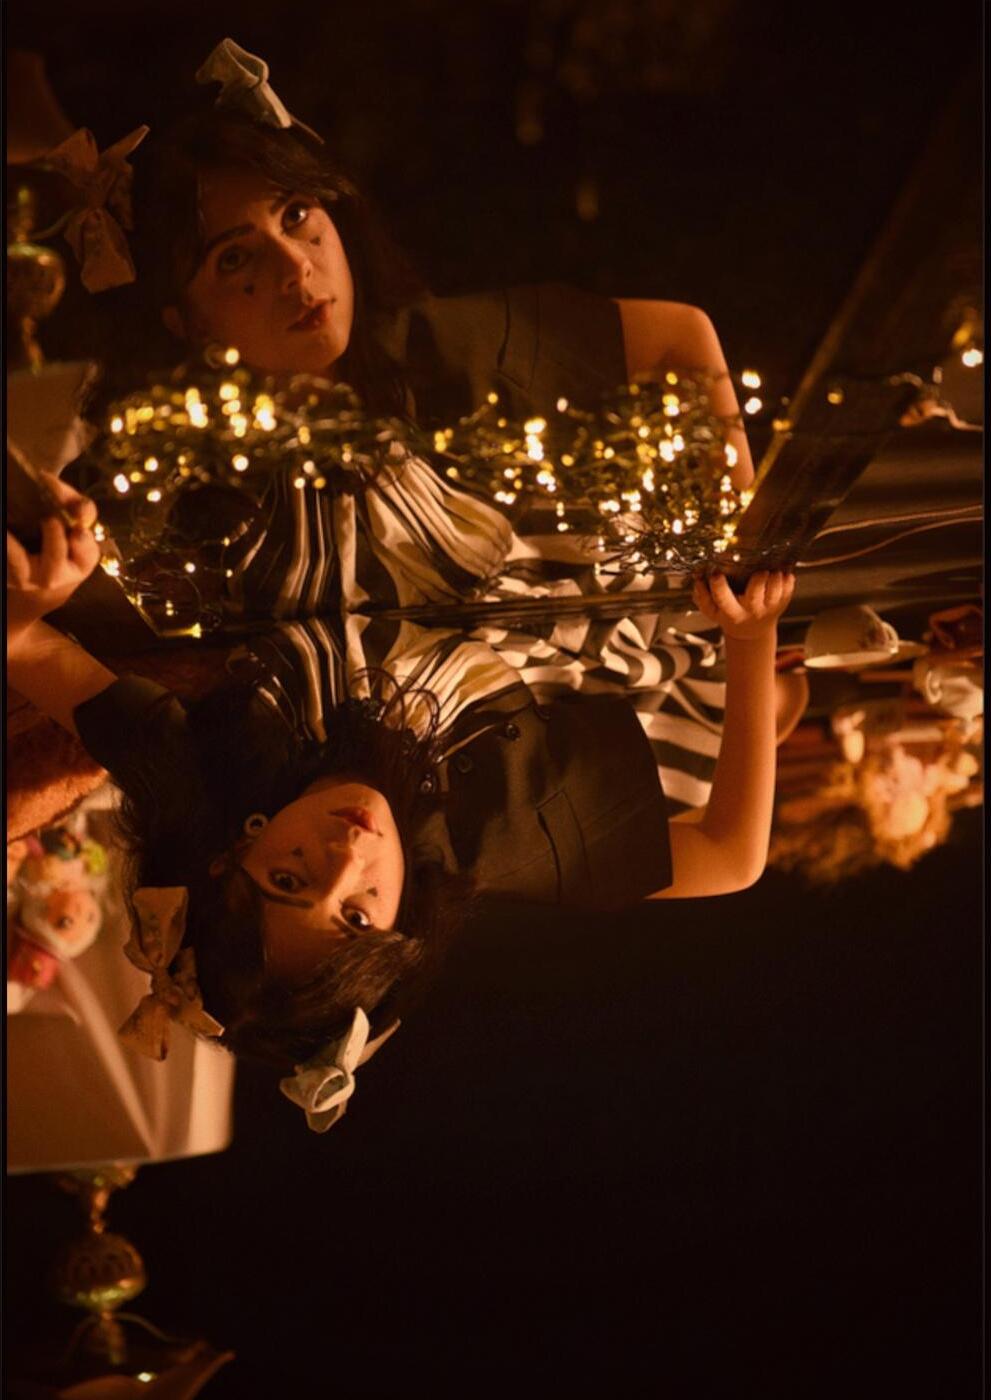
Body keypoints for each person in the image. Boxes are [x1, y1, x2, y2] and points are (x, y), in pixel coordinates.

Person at [7, 42, 794, 1128]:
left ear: (236, 851)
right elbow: (730, 856)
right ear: (396, 928)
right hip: (665, 608)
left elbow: (27, 648)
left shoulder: (210, 728)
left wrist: (34, 598)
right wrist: (750, 620)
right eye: (356, 914)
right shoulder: (479, 830)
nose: (343, 860)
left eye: (290, 879)